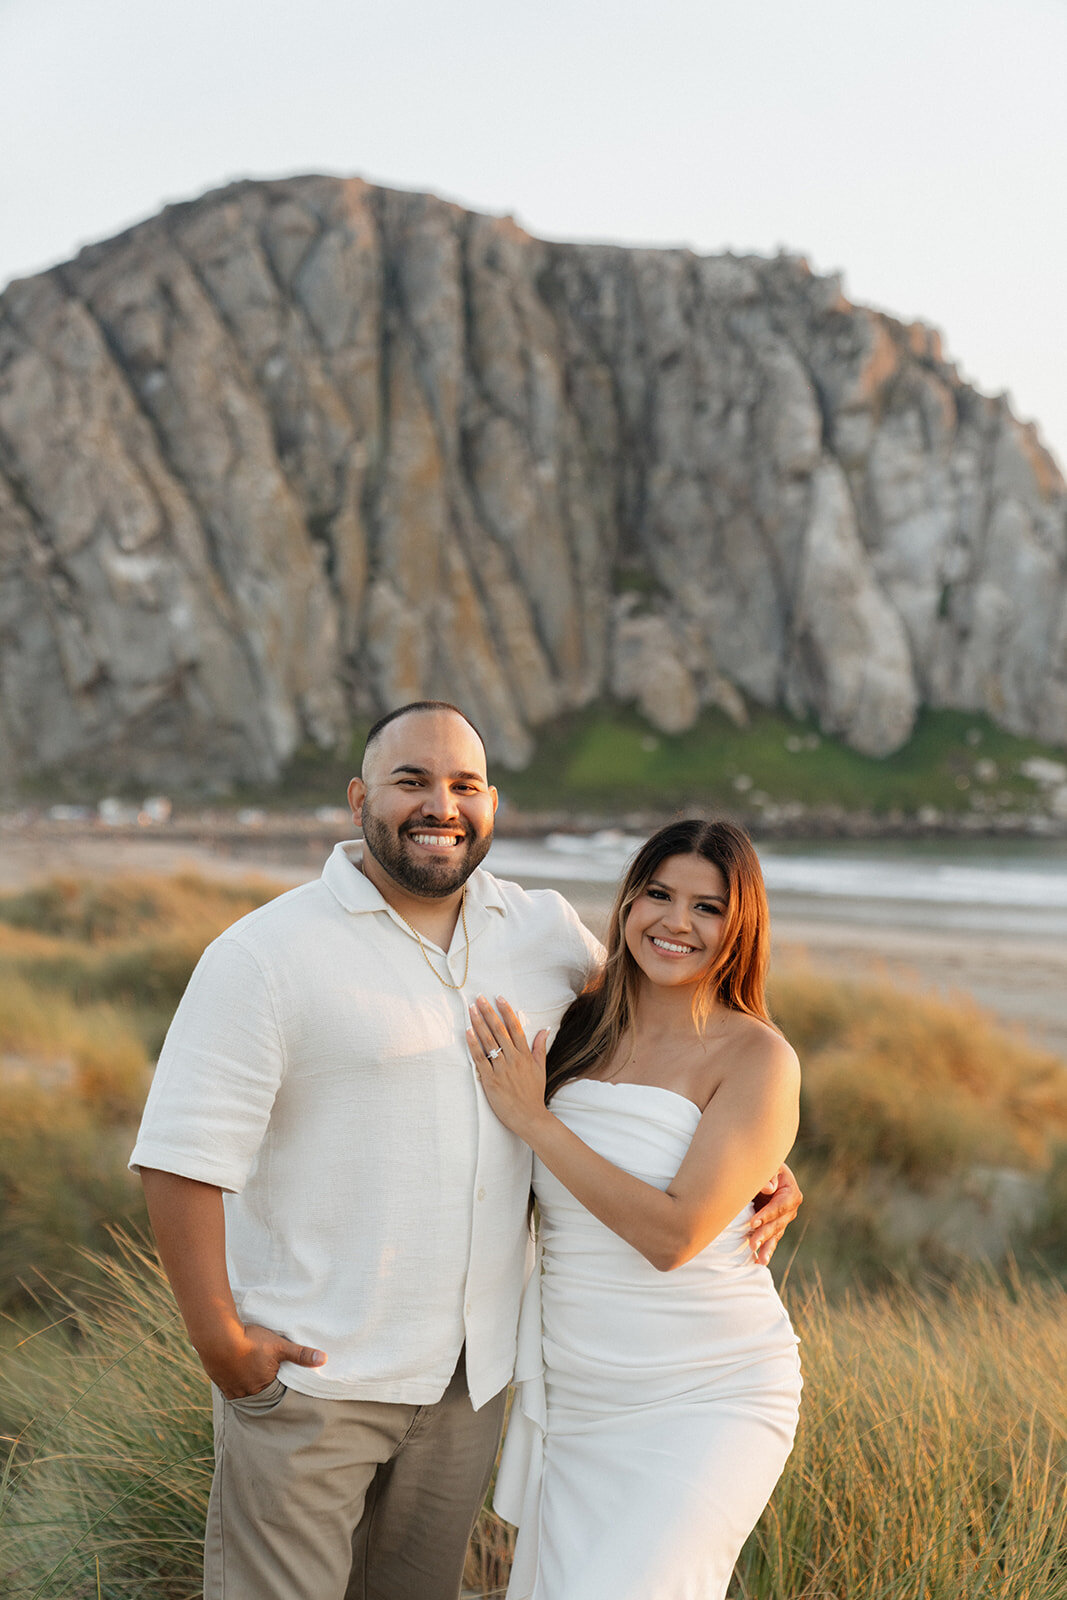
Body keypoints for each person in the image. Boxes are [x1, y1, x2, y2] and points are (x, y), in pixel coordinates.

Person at [131, 704, 802, 1600]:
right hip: (318, 1376)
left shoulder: (544, 934)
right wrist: (222, 1343)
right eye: (411, 780)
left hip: (468, 1388)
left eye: (463, 785)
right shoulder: (265, 953)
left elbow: (667, 1045)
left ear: (493, 803)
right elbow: (180, 1152)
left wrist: (759, 1164)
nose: (438, 804)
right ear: (360, 796)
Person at [469, 819, 803, 1600]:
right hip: (581, 1399)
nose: (675, 923)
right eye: (657, 894)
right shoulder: (578, 1025)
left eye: (707, 908)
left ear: (739, 926)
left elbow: (674, 1234)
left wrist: (535, 1119)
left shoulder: (757, 1056)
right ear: (626, 903)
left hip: (707, 1391)